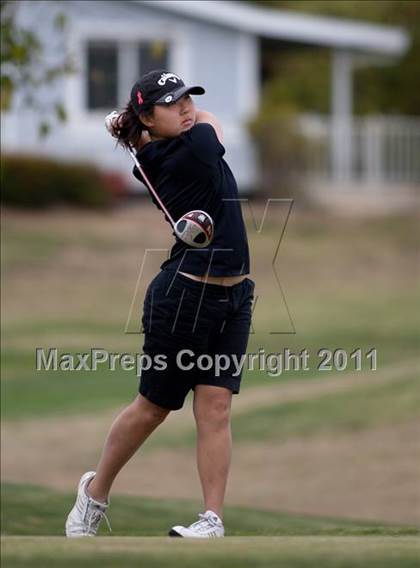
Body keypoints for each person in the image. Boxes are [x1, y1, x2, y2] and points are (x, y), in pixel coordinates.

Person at [65, 69, 254, 538]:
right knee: (153, 407)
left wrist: (131, 122)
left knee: (216, 408)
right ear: (148, 117)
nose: (187, 108)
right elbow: (211, 121)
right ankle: (94, 494)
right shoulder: (187, 152)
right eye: (172, 104)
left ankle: (212, 520)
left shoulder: (157, 147)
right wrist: (131, 122)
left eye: (187, 98)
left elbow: (186, 121)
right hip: (186, 296)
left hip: (234, 295)